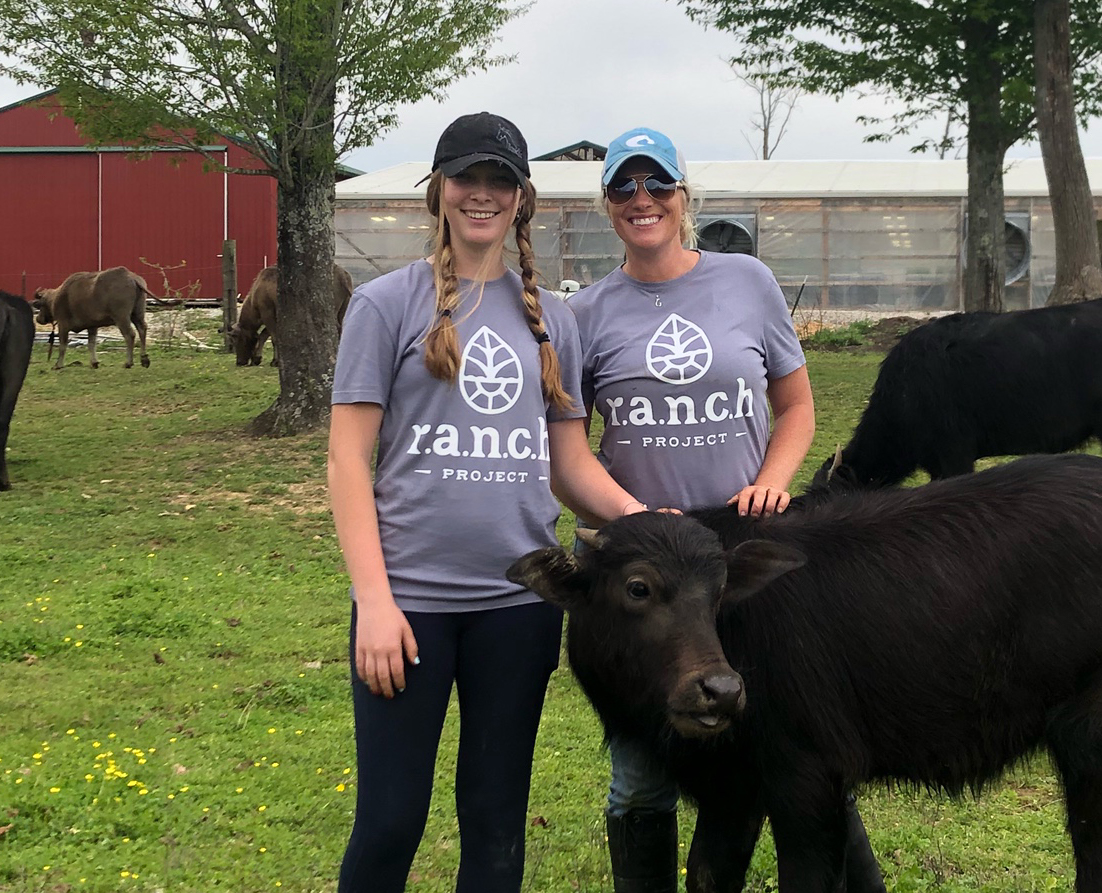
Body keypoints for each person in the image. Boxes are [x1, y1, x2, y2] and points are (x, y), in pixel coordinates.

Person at [328, 112, 646, 893]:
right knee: (391, 821)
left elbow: (569, 465)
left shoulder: (554, 322)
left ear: (521, 198)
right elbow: (345, 461)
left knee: (497, 819)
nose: (482, 195)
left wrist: (648, 525)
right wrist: (374, 601)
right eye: (466, 178)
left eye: (499, 181)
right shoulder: (384, 305)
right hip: (409, 611)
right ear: (438, 190)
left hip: (521, 608)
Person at [567, 127, 887, 893]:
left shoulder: (747, 282)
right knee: (644, 777)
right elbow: (567, 449)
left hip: (742, 565)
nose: (643, 201)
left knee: (793, 743)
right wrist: (639, 520)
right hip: (644, 578)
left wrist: (778, 478)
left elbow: (798, 405)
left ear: (685, 197)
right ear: (608, 205)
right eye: (625, 188)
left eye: (658, 186)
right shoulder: (584, 314)